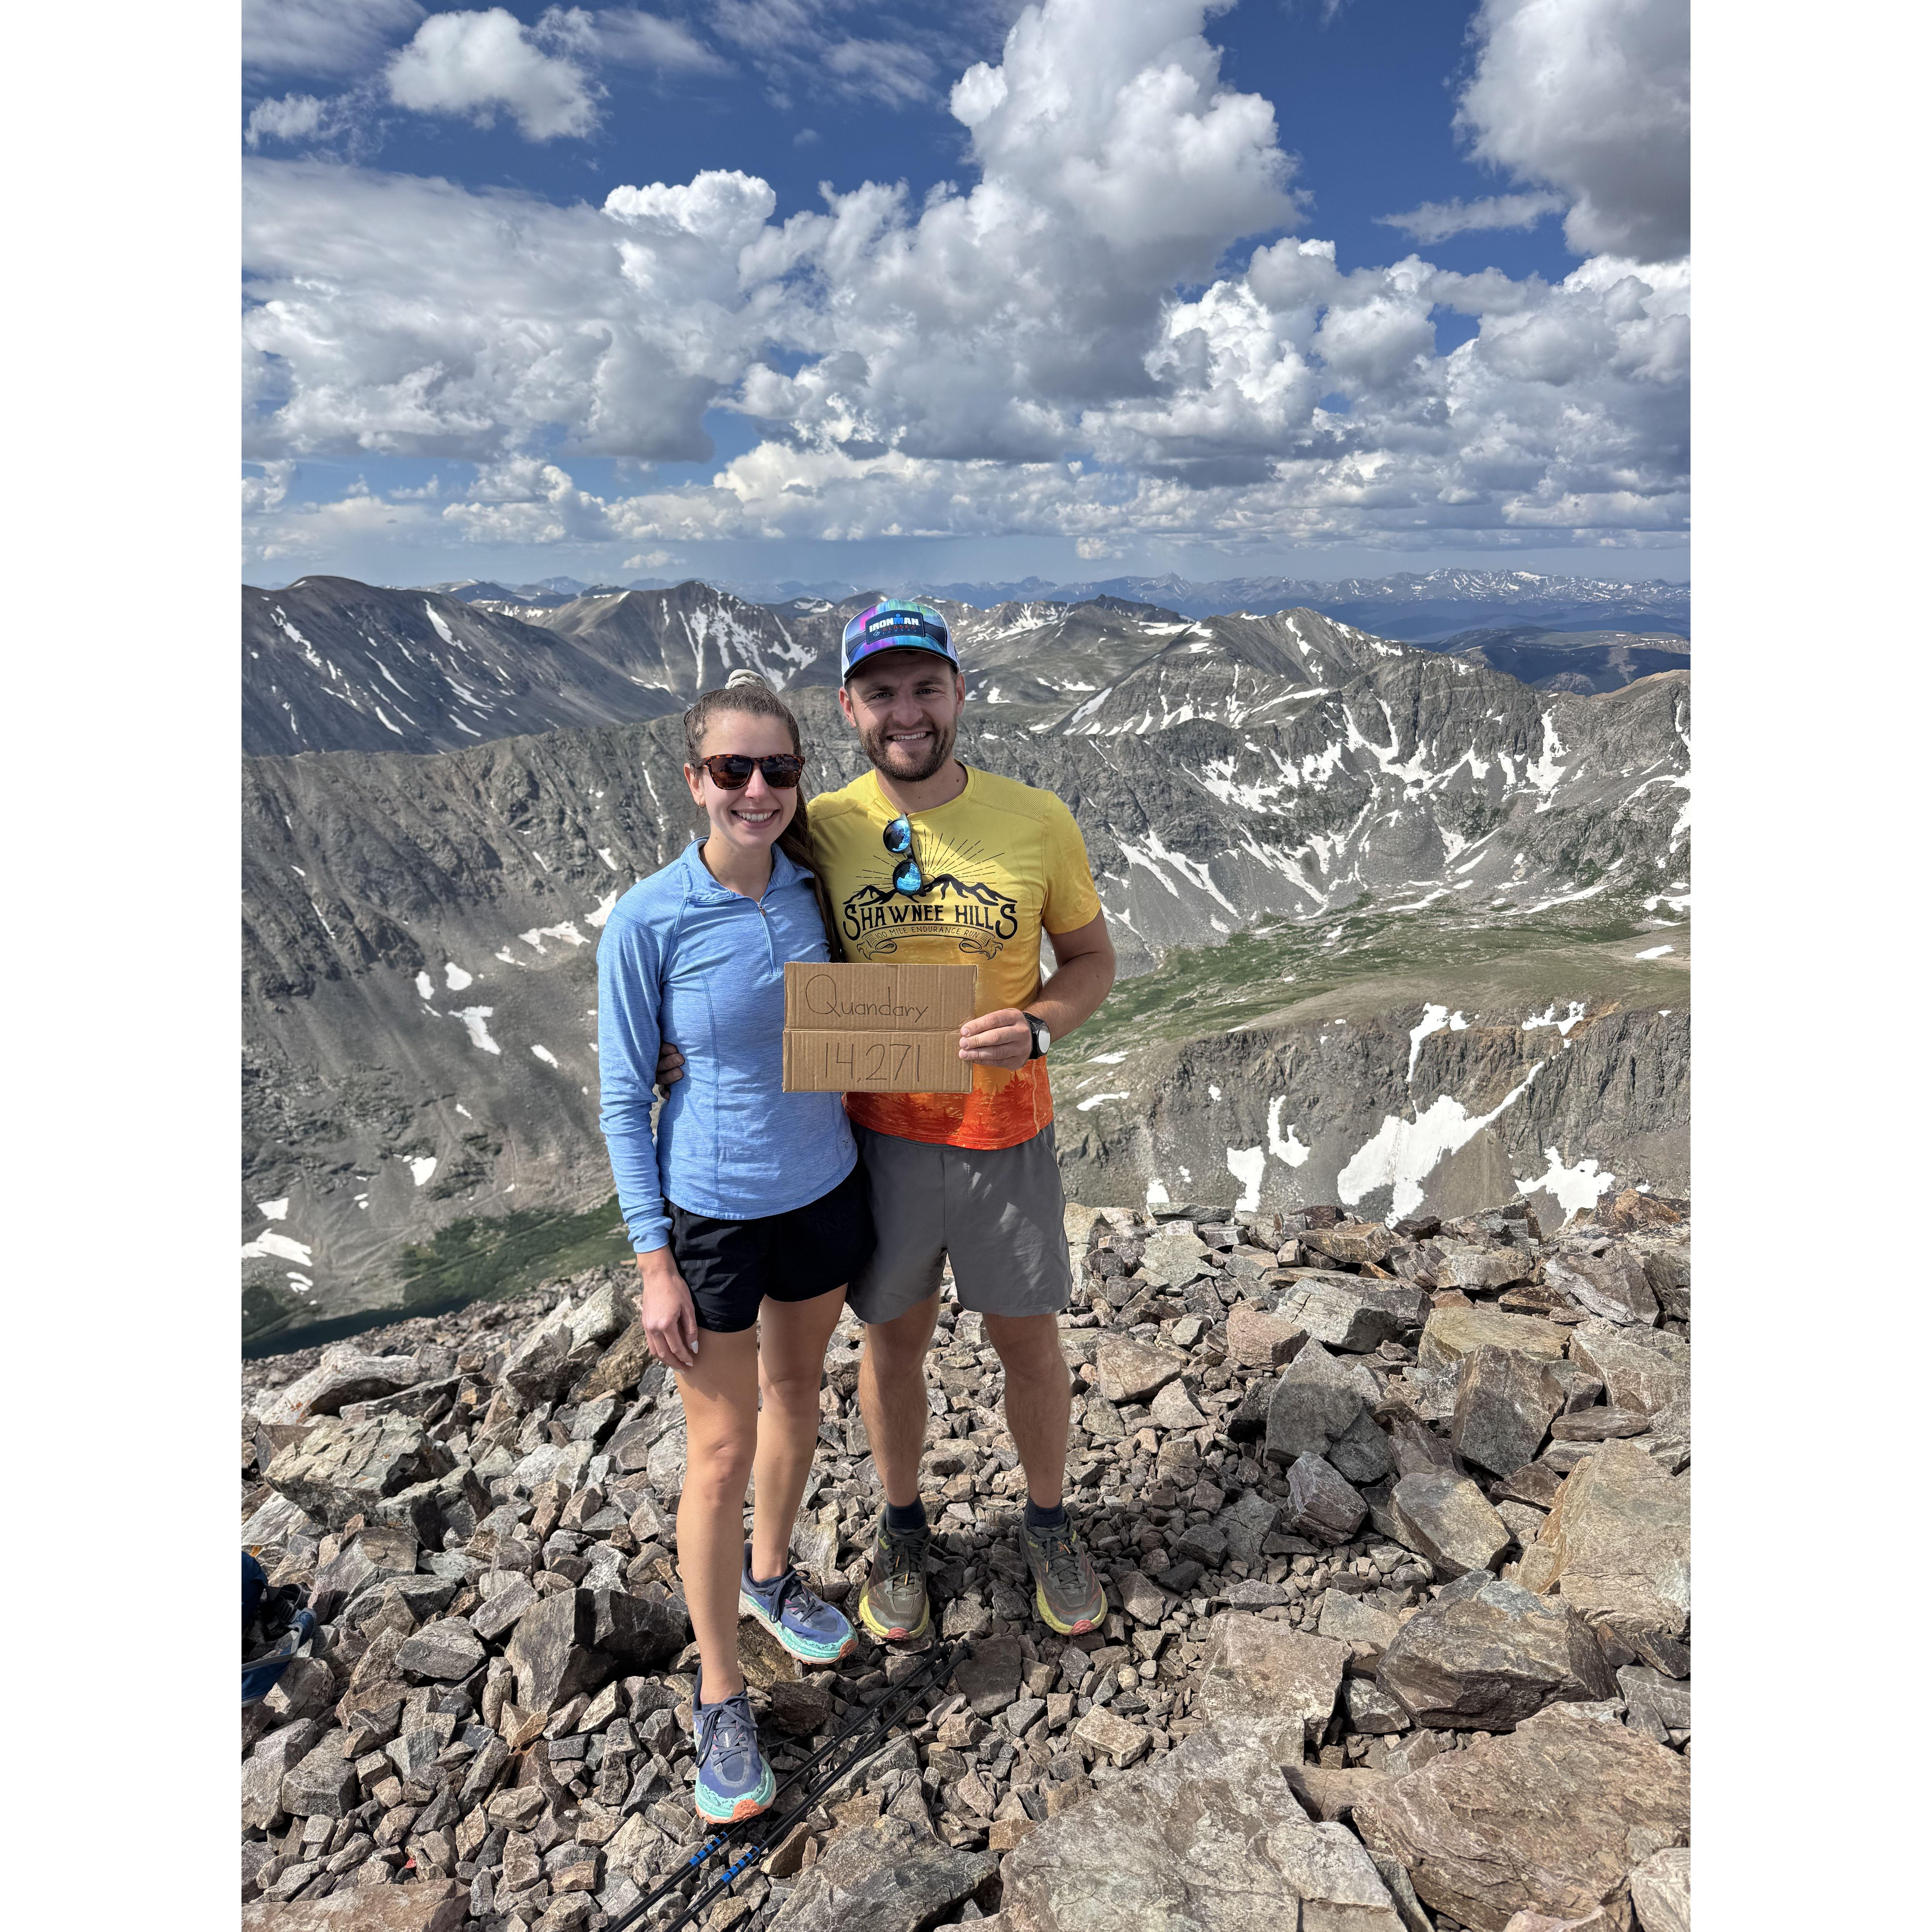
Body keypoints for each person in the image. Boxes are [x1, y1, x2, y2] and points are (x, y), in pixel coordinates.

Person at [658, 601, 1118, 1645]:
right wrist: (677, 1038)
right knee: (892, 1342)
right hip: (874, 1142)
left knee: (1026, 1341)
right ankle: (903, 1528)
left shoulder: (1036, 819)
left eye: (924, 688)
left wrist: (1040, 1028)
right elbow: (742, 927)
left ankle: (1048, 1520)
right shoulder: (821, 825)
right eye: (881, 693)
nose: (905, 712)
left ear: (959, 693)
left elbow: (1091, 962)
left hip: (1006, 1137)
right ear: (850, 710)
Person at [596, 669, 871, 1826]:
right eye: (731, 770)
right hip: (711, 1213)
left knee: (798, 1396)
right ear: (694, 780)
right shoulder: (648, 918)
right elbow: (622, 1095)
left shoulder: (818, 890)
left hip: (825, 1189)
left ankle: (769, 1579)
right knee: (719, 1448)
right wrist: (654, 1260)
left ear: (799, 781)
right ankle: (719, 1692)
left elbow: (871, 1009)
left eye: (778, 771)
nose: (756, 790)